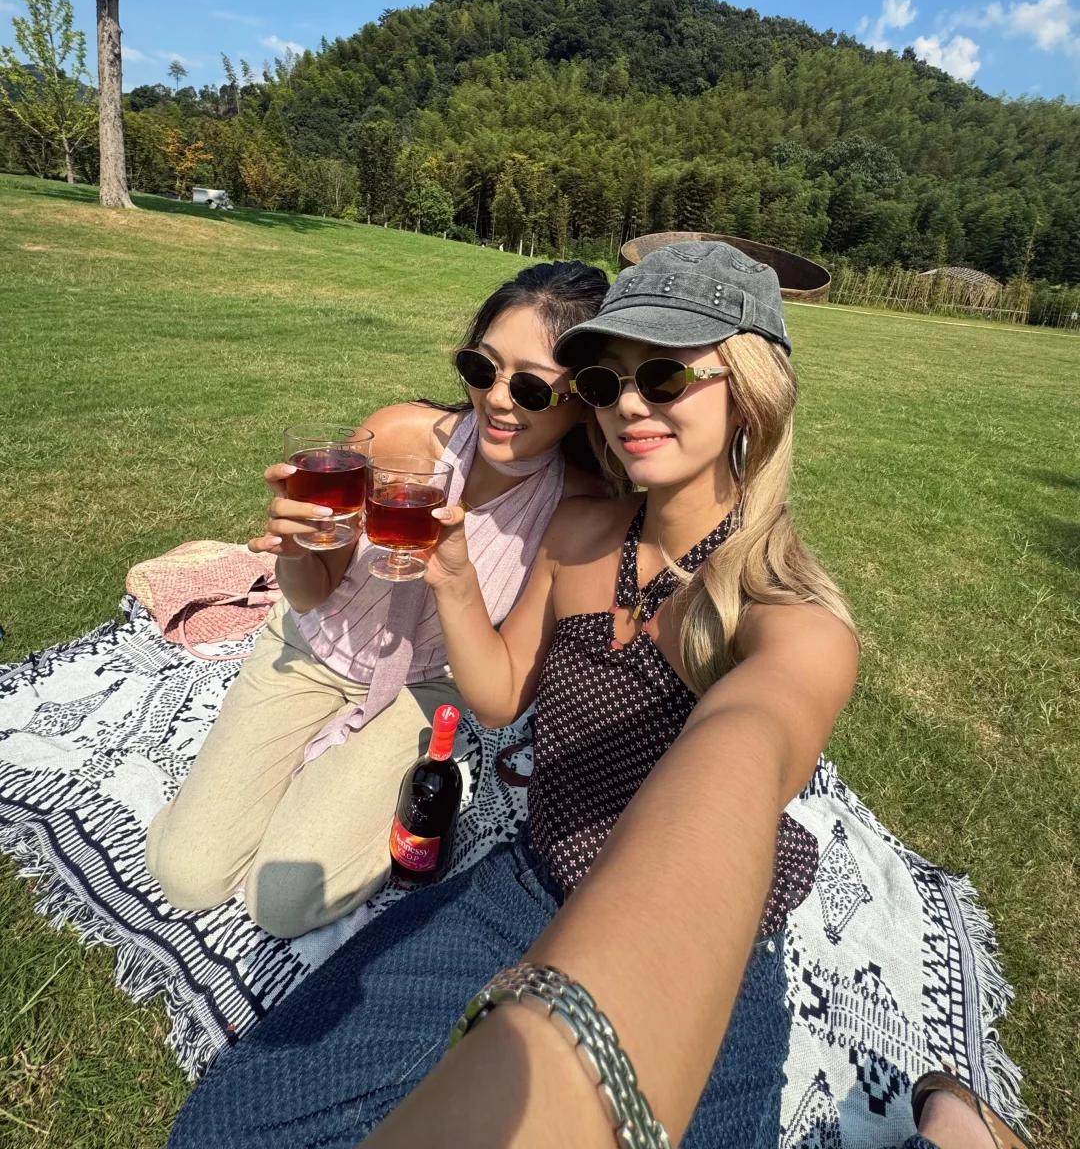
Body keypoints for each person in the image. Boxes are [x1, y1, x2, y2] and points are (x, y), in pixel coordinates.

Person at [167, 243, 1021, 1149]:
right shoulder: (578, 535)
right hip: (534, 881)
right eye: (608, 383)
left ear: (750, 396)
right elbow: (499, 698)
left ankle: (958, 1131)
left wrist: (577, 1023)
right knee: (228, 1129)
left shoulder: (792, 621)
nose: (629, 406)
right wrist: (452, 574)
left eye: (664, 375)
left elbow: (751, 738)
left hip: (702, 931)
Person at [146, 260, 609, 939]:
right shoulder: (397, 438)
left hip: (425, 688)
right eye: (481, 369)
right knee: (186, 874)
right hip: (312, 648)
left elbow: (503, 691)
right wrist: (296, 550)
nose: (497, 400)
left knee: (284, 902)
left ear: (584, 398)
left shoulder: (577, 508)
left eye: (533, 388)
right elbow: (315, 593)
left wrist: (456, 582)